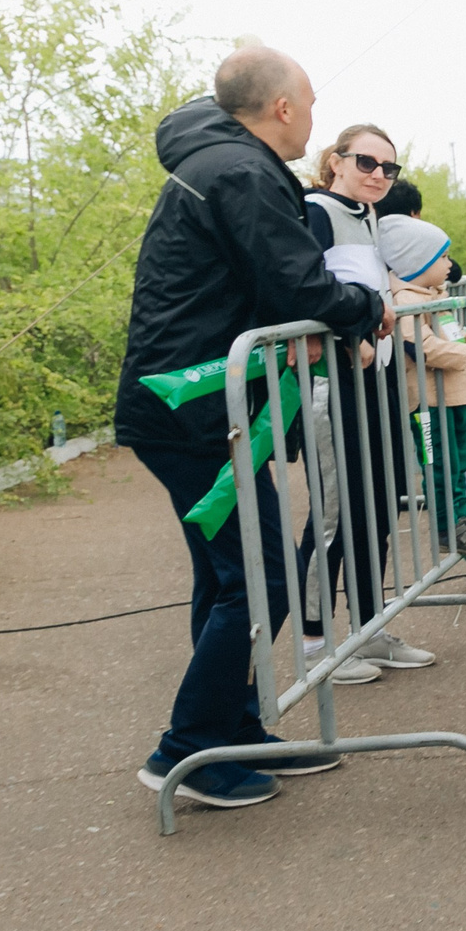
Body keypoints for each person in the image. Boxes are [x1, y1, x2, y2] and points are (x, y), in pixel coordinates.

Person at [114, 49, 392, 808]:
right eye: (307, 101)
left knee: (230, 576)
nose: (312, 114)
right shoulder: (239, 172)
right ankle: (190, 750)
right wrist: (366, 307)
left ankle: (232, 727)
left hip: (200, 408)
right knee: (261, 577)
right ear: (281, 108)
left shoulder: (225, 163)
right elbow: (297, 282)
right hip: (196, 408)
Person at [299, 121, 435, 682]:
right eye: (366, 162)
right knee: (333, 511)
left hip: (371, 380)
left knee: (377, 502)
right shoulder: (313, 210)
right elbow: (298, 287)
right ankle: (316, 645)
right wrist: (342, 336)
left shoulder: (369, 217)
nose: (378, 175)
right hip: (332, 383)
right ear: (336, 160)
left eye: (388, 167)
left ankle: (367, 628)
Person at [381, 214, 466, 554]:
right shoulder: (406, 302)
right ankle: (448, 528)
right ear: (418, 262)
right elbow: (422, 347)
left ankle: (460, 518)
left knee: (460, 461)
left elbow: (444, 335)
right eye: (442, 257)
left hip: (454, 394)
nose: (449, 265)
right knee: (440, 464)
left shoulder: (435, 294)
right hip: (430, 401)